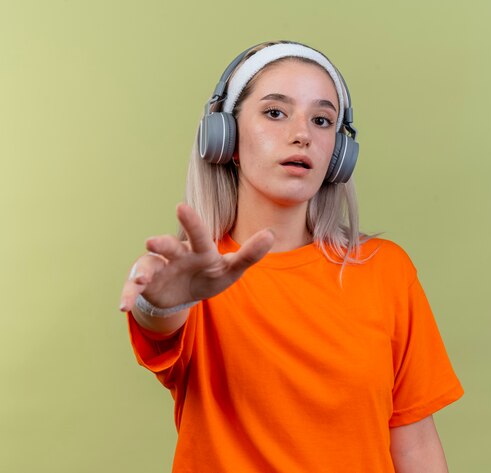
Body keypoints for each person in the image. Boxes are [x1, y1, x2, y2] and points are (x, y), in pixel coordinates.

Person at [119, 40, 463, 473]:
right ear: (225, 138)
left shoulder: (386, 270)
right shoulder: (199, 277)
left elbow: (415, 446)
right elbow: (159, 322)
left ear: (338, 154)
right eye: (275, 112)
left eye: (322, 120)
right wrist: (162, 301)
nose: (302, 134)